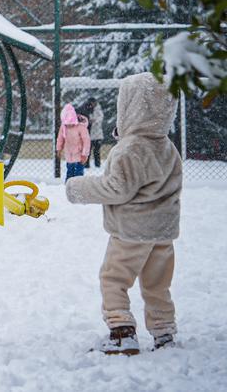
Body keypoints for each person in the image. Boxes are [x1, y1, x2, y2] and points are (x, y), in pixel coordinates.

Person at [66, 73, 182, 355]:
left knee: (114, 278)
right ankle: (164, 331)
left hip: (131, 231)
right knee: (157, 284)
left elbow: (116, 188)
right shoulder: (167, 147)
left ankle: (121, 331)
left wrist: (78, 188)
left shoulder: (129, 149)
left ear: (129, 108)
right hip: (162, 233)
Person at [57, 103, 91, 181]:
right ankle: (68, 186)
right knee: (69, 172)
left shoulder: (81, 127)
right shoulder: (64, 127)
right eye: (67, 124)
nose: (69, 126)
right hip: (69, 154)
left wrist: (85, 154)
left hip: (79, 156)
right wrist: (59, 149)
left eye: (71, 124)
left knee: (78, 174)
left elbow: (86, 142)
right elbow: (60, 138)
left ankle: (78, 188)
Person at [86, 97, 105, 169]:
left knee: (96, 151)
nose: (92, 104)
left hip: (97, 134)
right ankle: (86, 165)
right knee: (88, 150)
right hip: (89, 133)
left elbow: (100, 119)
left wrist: (95, 121)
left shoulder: (98, 110)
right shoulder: (88, 109)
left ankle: (97, 165)